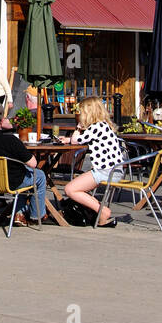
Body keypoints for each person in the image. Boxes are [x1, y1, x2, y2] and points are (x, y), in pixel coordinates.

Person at [59, 97, 127, 227]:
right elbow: (79, 140)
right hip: (113, 170)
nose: (80, 115)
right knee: (77, 187)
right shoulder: (103, 125)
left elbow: (76, 140)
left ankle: (103, 211)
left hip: (105, 171)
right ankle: (100, 213)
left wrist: (78, 128)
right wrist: (68, 139)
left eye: (82, 113)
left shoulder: (96, 127)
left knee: (70, 189)